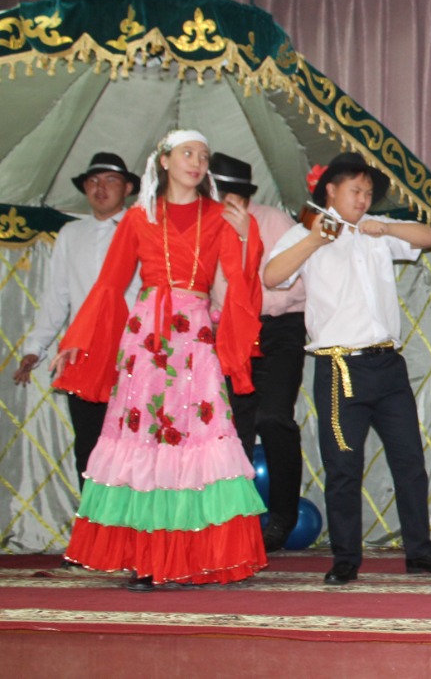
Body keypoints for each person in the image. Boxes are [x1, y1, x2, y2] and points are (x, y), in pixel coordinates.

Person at [52, 131, 267, 591]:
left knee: (199, 437)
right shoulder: (139, 217)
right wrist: (79, 339)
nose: (197, 162)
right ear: (164, 161)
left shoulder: (221, 216)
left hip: (195, 337)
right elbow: (109, 286)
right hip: (146, 337)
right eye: (188, 153)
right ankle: (146, 560)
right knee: (146, 439)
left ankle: (202, 557)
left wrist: (247, 237)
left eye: (203, 156)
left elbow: (238, 283)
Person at [264, 152, 431, 585]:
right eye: (355, 190)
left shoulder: (375, 229)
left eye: (368, 192)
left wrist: (387, 227)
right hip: (340, 368)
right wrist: (315, 241)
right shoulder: (305, 232)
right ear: (331, 190)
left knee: (410, 461)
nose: (362, 199)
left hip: (388, 364)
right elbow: (271, 276)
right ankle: (345, 558)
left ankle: (420, 551)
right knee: (343, 467)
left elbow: (430, 237)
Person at [14, 152, 141, 489]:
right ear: (85, 188)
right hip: (82, 351)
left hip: (130, 350)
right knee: (88, 442)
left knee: (132, 442)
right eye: (93, 181)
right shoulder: (71, 234)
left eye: (110, 181)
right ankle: (92, 517)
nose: (100, 188)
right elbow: (57, 296)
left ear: (127, 188)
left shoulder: (142, 229)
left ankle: (132, 520)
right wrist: (35, 348)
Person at [210, 153, 308, 553]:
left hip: (279, 329)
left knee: (274, 417)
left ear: (240, 195)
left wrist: (252, 299)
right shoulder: (206, 229)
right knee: (234, 428)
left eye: (223, 193)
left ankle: (283, 516)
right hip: (231, 333)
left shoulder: (275, 222)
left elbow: (298, 284)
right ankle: (236, 521)